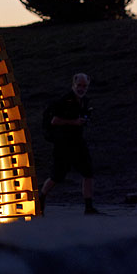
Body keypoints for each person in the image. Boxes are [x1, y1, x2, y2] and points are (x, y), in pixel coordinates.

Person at [39, 73, 98, 215]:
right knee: (57, 176)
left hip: (78, 142)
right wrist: (74, 122)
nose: (82, 89)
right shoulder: (65, 100)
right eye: (79, 86)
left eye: (84, 86)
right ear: (73, 85)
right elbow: (54, 121)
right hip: (63, 143)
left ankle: (88, 207)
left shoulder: (84, 101)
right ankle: (41, 197)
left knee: (88, 172)